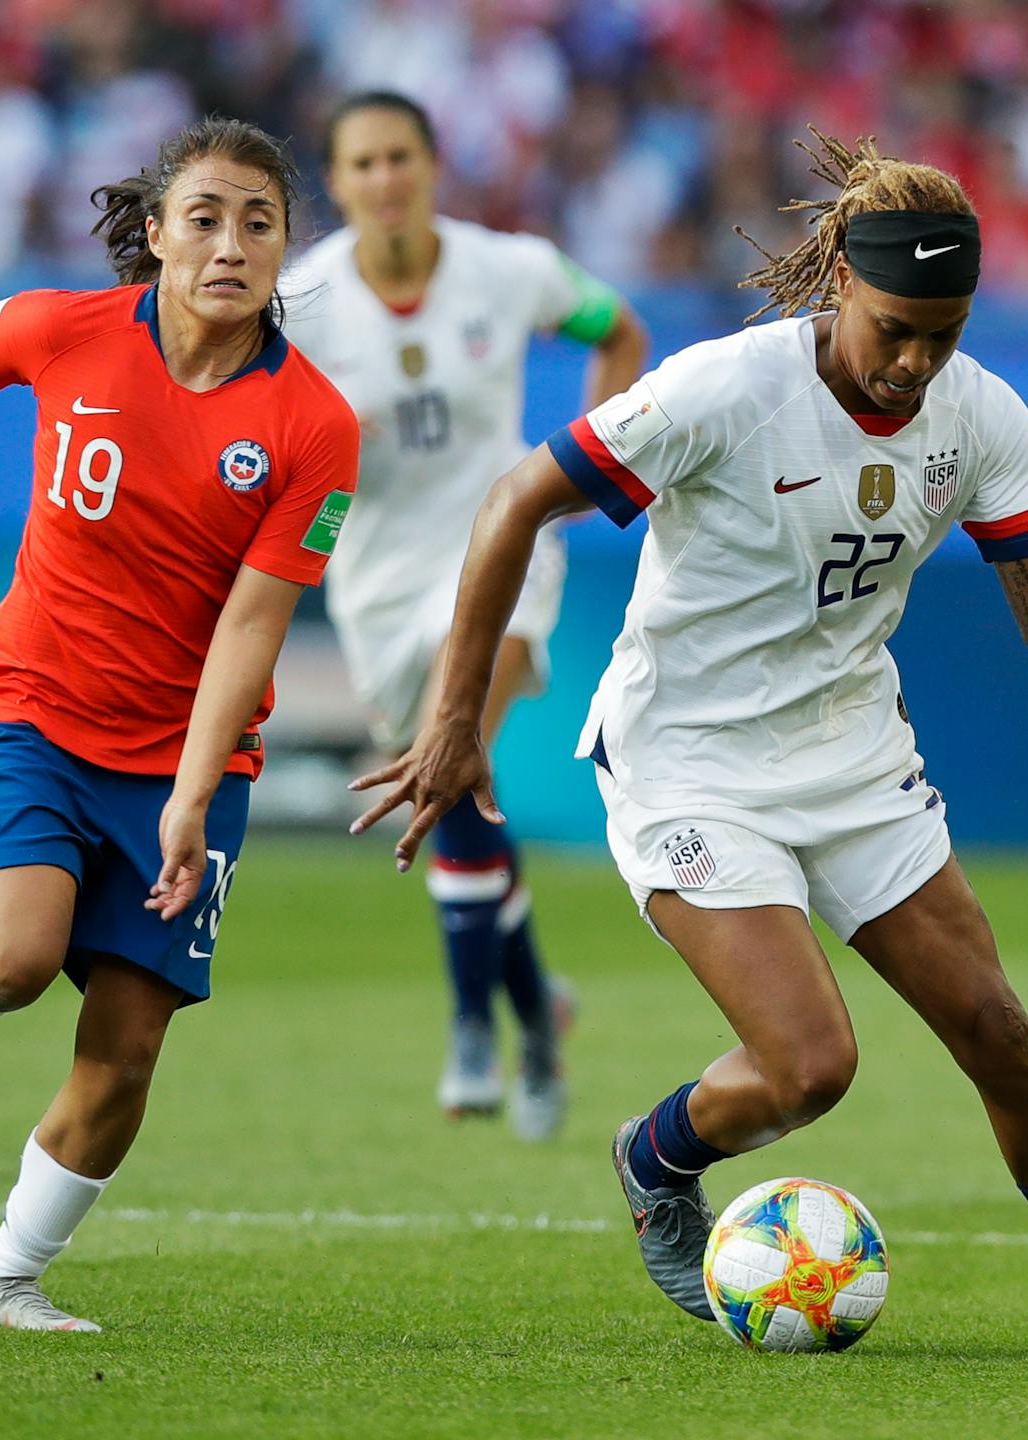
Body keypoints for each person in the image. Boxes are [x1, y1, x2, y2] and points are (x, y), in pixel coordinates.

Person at [352, 133, 1028, 1361]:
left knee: (1003, 1038)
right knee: (813, 1065)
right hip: (690, 759)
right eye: (896, 330)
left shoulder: (978, 414)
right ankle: (656, 1157)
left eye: (947, 331)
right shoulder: (722, 389)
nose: (918, 361)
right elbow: (515, 501)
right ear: (841, 291)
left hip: (850, 754)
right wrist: (452, 721)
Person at [0, 117, 358, 1333]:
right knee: (15, 957)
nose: (231, 243)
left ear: (286, 247)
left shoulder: (315, 429)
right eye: (204, 216)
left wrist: (195, 794)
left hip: (186, 758)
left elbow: (255, 627)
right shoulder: (65, 328)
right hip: (32, 709)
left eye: (260, 221)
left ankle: (8, 1279)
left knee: (127, 1048)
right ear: (154, 237)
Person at [283, 91, 648, 1139]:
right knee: (456, 787)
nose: (385, 179)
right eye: (363, 163)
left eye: (402, 156)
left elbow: (615, 325)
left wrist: (582, 468)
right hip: (380, 577)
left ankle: (472, 1029)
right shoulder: (303, 305)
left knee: (455, 761)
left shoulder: (509, 268)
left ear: (433, 166)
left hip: (505, 545)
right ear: (340, 184)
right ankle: (537, 1013)